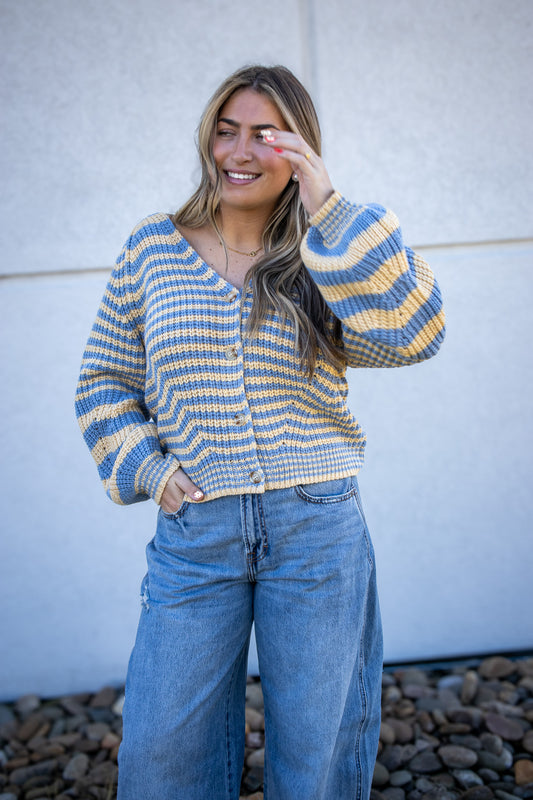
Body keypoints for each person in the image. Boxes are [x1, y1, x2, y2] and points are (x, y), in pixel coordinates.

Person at [75, 64, 445, 800]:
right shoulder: (152, 247)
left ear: (298, 150)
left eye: (264, 136)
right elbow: (103, 381)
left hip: (316, 528)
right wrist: (151, 470)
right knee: (160, 755)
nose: (239, 152)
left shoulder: (325, 255)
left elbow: (416, 333)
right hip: (197, 531)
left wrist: (330, 209)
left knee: (317, 754)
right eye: (225, 131)